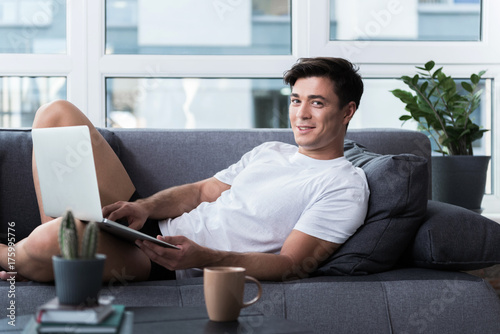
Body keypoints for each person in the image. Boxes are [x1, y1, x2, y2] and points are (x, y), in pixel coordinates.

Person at [0, 57, 369, 283]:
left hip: (168, 263)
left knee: (51, 241)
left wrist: (203, 257)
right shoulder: (271, 151)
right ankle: (49, 258)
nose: (301, 114)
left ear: (347, 111)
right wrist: (144, 207)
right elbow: (200, 192)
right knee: (56, 114)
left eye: (316, 103)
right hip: (148, 230)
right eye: (295, 100)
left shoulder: (344, 186)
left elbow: (292, 265)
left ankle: (39, 257)